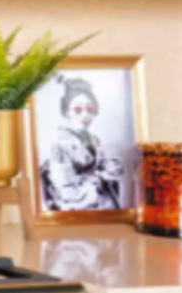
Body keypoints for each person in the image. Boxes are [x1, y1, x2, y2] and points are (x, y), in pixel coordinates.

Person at [35, 74, 128, 214]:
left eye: (90, 110)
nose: (85, 115)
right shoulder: (58, 144)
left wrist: (110, 167)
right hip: (73, 205)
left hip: (99, 201)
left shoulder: (94, 140)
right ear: (66, 111)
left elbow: (101, 164)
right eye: (78, 110)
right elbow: (65, 188)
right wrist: (98, 178)